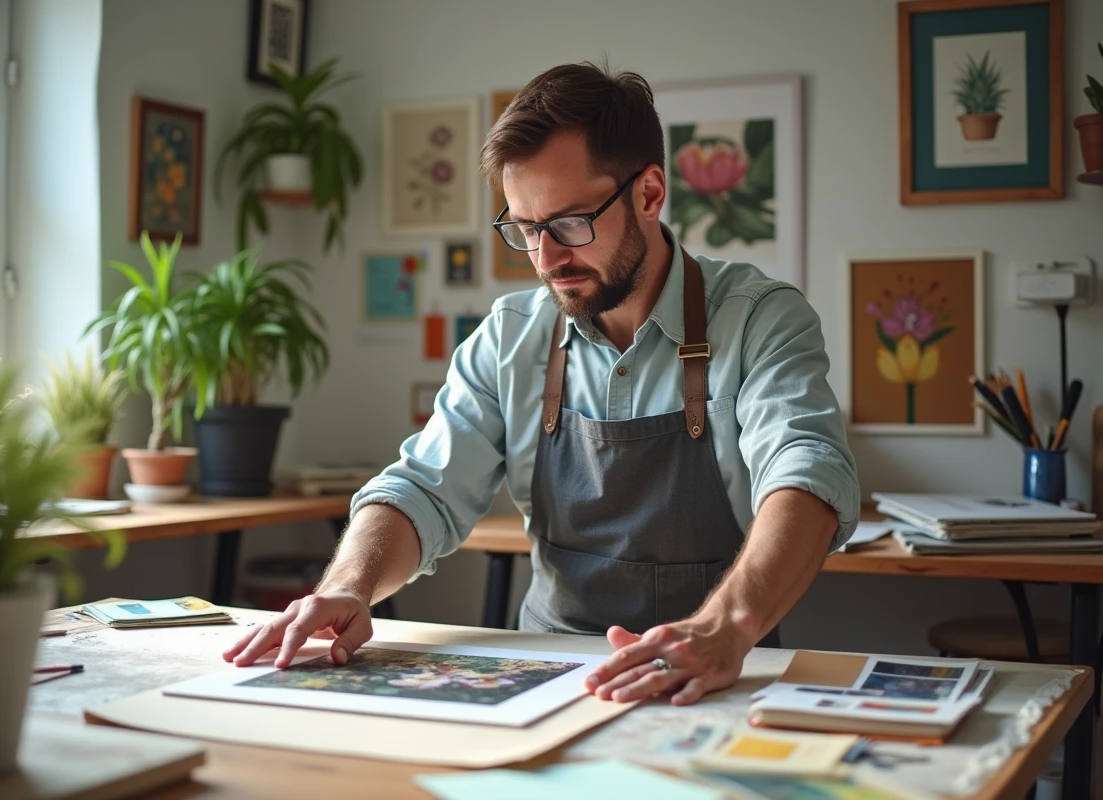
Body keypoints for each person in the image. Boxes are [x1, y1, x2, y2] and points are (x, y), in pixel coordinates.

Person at [224, 62, 860, 707]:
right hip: (551, 678)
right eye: (527, 229)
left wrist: (726, 627)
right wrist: (349, 586)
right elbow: (422, 489)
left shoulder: (758, 318)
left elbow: (807, 474)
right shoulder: (509, 337)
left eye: (570, 222)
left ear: (648, 193)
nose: (547, 258)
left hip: (719, 676)